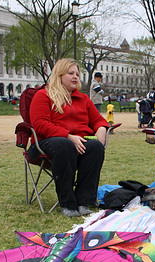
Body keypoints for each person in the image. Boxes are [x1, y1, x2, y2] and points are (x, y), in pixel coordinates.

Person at [29, 58, 109, 218]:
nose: (75, 77)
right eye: (70, 73)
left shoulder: (84, 99)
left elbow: (98, 120)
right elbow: (39, 124)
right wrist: (68, 136)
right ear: (59, 74)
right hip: (46, 144)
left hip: (77, 145)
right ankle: (67, 203)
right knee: (64, 144)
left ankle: (83, 201)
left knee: (95, 147)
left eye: (77, 74)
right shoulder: (43, 95)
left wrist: (101, 128)